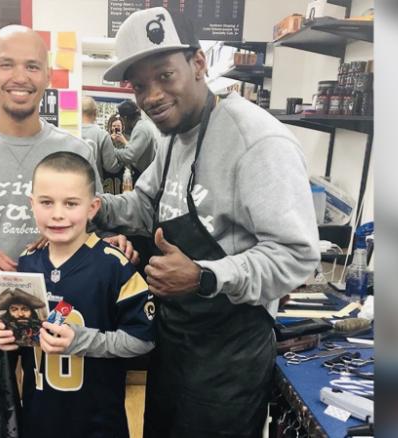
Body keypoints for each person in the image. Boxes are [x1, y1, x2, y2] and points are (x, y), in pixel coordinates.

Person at [96, 7, 320, 437]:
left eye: (164, 75)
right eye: (140, 86)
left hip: (228, 364)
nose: (152, 96)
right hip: (174, 345)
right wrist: (98, 208)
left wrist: (203, 276)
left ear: (198, 64)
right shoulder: (173, 135)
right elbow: (146, 205)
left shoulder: (258, 143)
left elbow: (296, 257)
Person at [0, 25, 136, 281]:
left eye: (32, 67)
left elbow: (91, 225)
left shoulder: (76, 150)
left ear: (47, 76)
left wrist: (109, 242)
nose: (20, 77)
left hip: (65, 305)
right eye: (6, 65)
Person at [0, 151, 155, 438]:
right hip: (39, 418)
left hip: (98, 423)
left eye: (71, 203)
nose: (57, 214)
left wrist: (83, 341)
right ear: (32, 204)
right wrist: (5, 337)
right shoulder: (27, 263)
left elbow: (144, 339)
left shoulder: (114, 266)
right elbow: (24, 337)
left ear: (93, 207)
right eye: (46, 202)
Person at [110, 99, 157, 178]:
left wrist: (111, 151)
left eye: (122, 120)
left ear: (125, 118)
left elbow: (130, 155)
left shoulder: (141, 129)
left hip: (145, 175)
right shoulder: (142, 126)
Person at [80, 96, 122, 183]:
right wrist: (123, 161)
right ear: (95, 113)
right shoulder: (102, 135)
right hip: (94, 188)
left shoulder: (69, 132)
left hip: (72, 187)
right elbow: (111, 167)